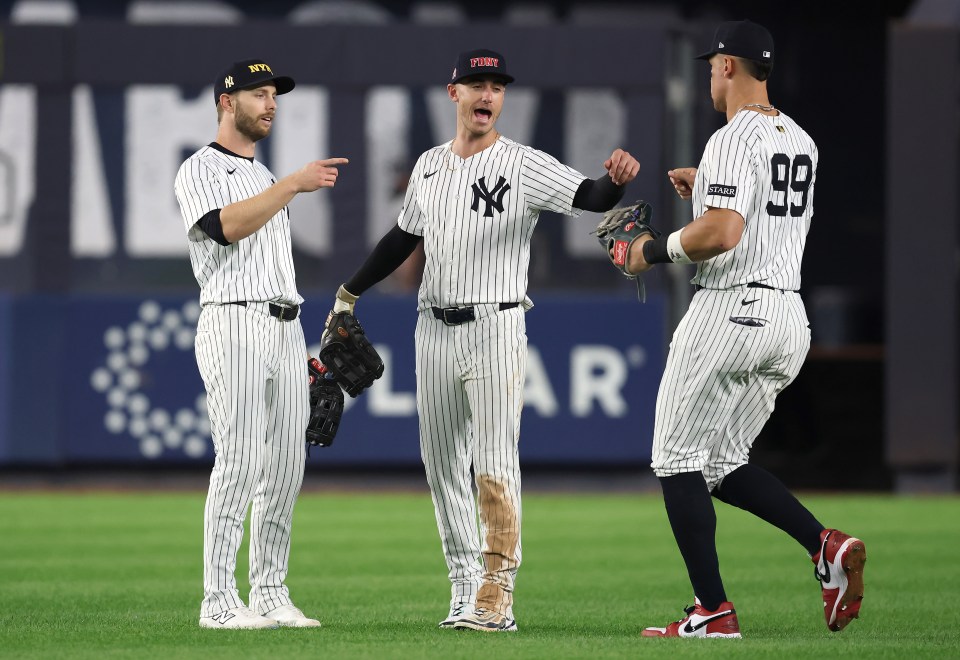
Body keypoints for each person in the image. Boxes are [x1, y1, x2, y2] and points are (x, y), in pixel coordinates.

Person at [327, 48, 639, 632]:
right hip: (432, 328)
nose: (487, 95)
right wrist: (349, 292)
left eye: (496, 86)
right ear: (454, 94)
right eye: (476, 84)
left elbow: (589, 198)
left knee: (493, 462)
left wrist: (614, 183)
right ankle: (464, 588)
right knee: (441, 464)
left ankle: (497, 595)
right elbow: (402, 238)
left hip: (495, 326)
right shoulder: (429, 165)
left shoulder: (522, 165)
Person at [619, 21, 866, 638]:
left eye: (712, 65)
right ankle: (824, 544)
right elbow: (757, 218)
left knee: (674, 459)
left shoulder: (730, 136)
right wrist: (703, 185)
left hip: (730, 311)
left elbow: (722, 235)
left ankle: (713, 610)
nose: (709, 75)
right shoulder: (800, 138)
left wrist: (650, 251)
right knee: (720, 463)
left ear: (728, 66)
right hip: (787, 318)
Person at [174, 59, 348, 630]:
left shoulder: (264, 174)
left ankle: (270, 591)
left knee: (286, 465)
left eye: (274, 94)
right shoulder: (199, 168)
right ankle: (218, 600)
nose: (270, 103)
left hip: (281, 325)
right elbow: (222, 228)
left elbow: (269, 261)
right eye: (258, 94)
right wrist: (292, 184)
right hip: (233, 322)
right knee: (242, 459)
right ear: (226, 101)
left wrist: (298, 346)